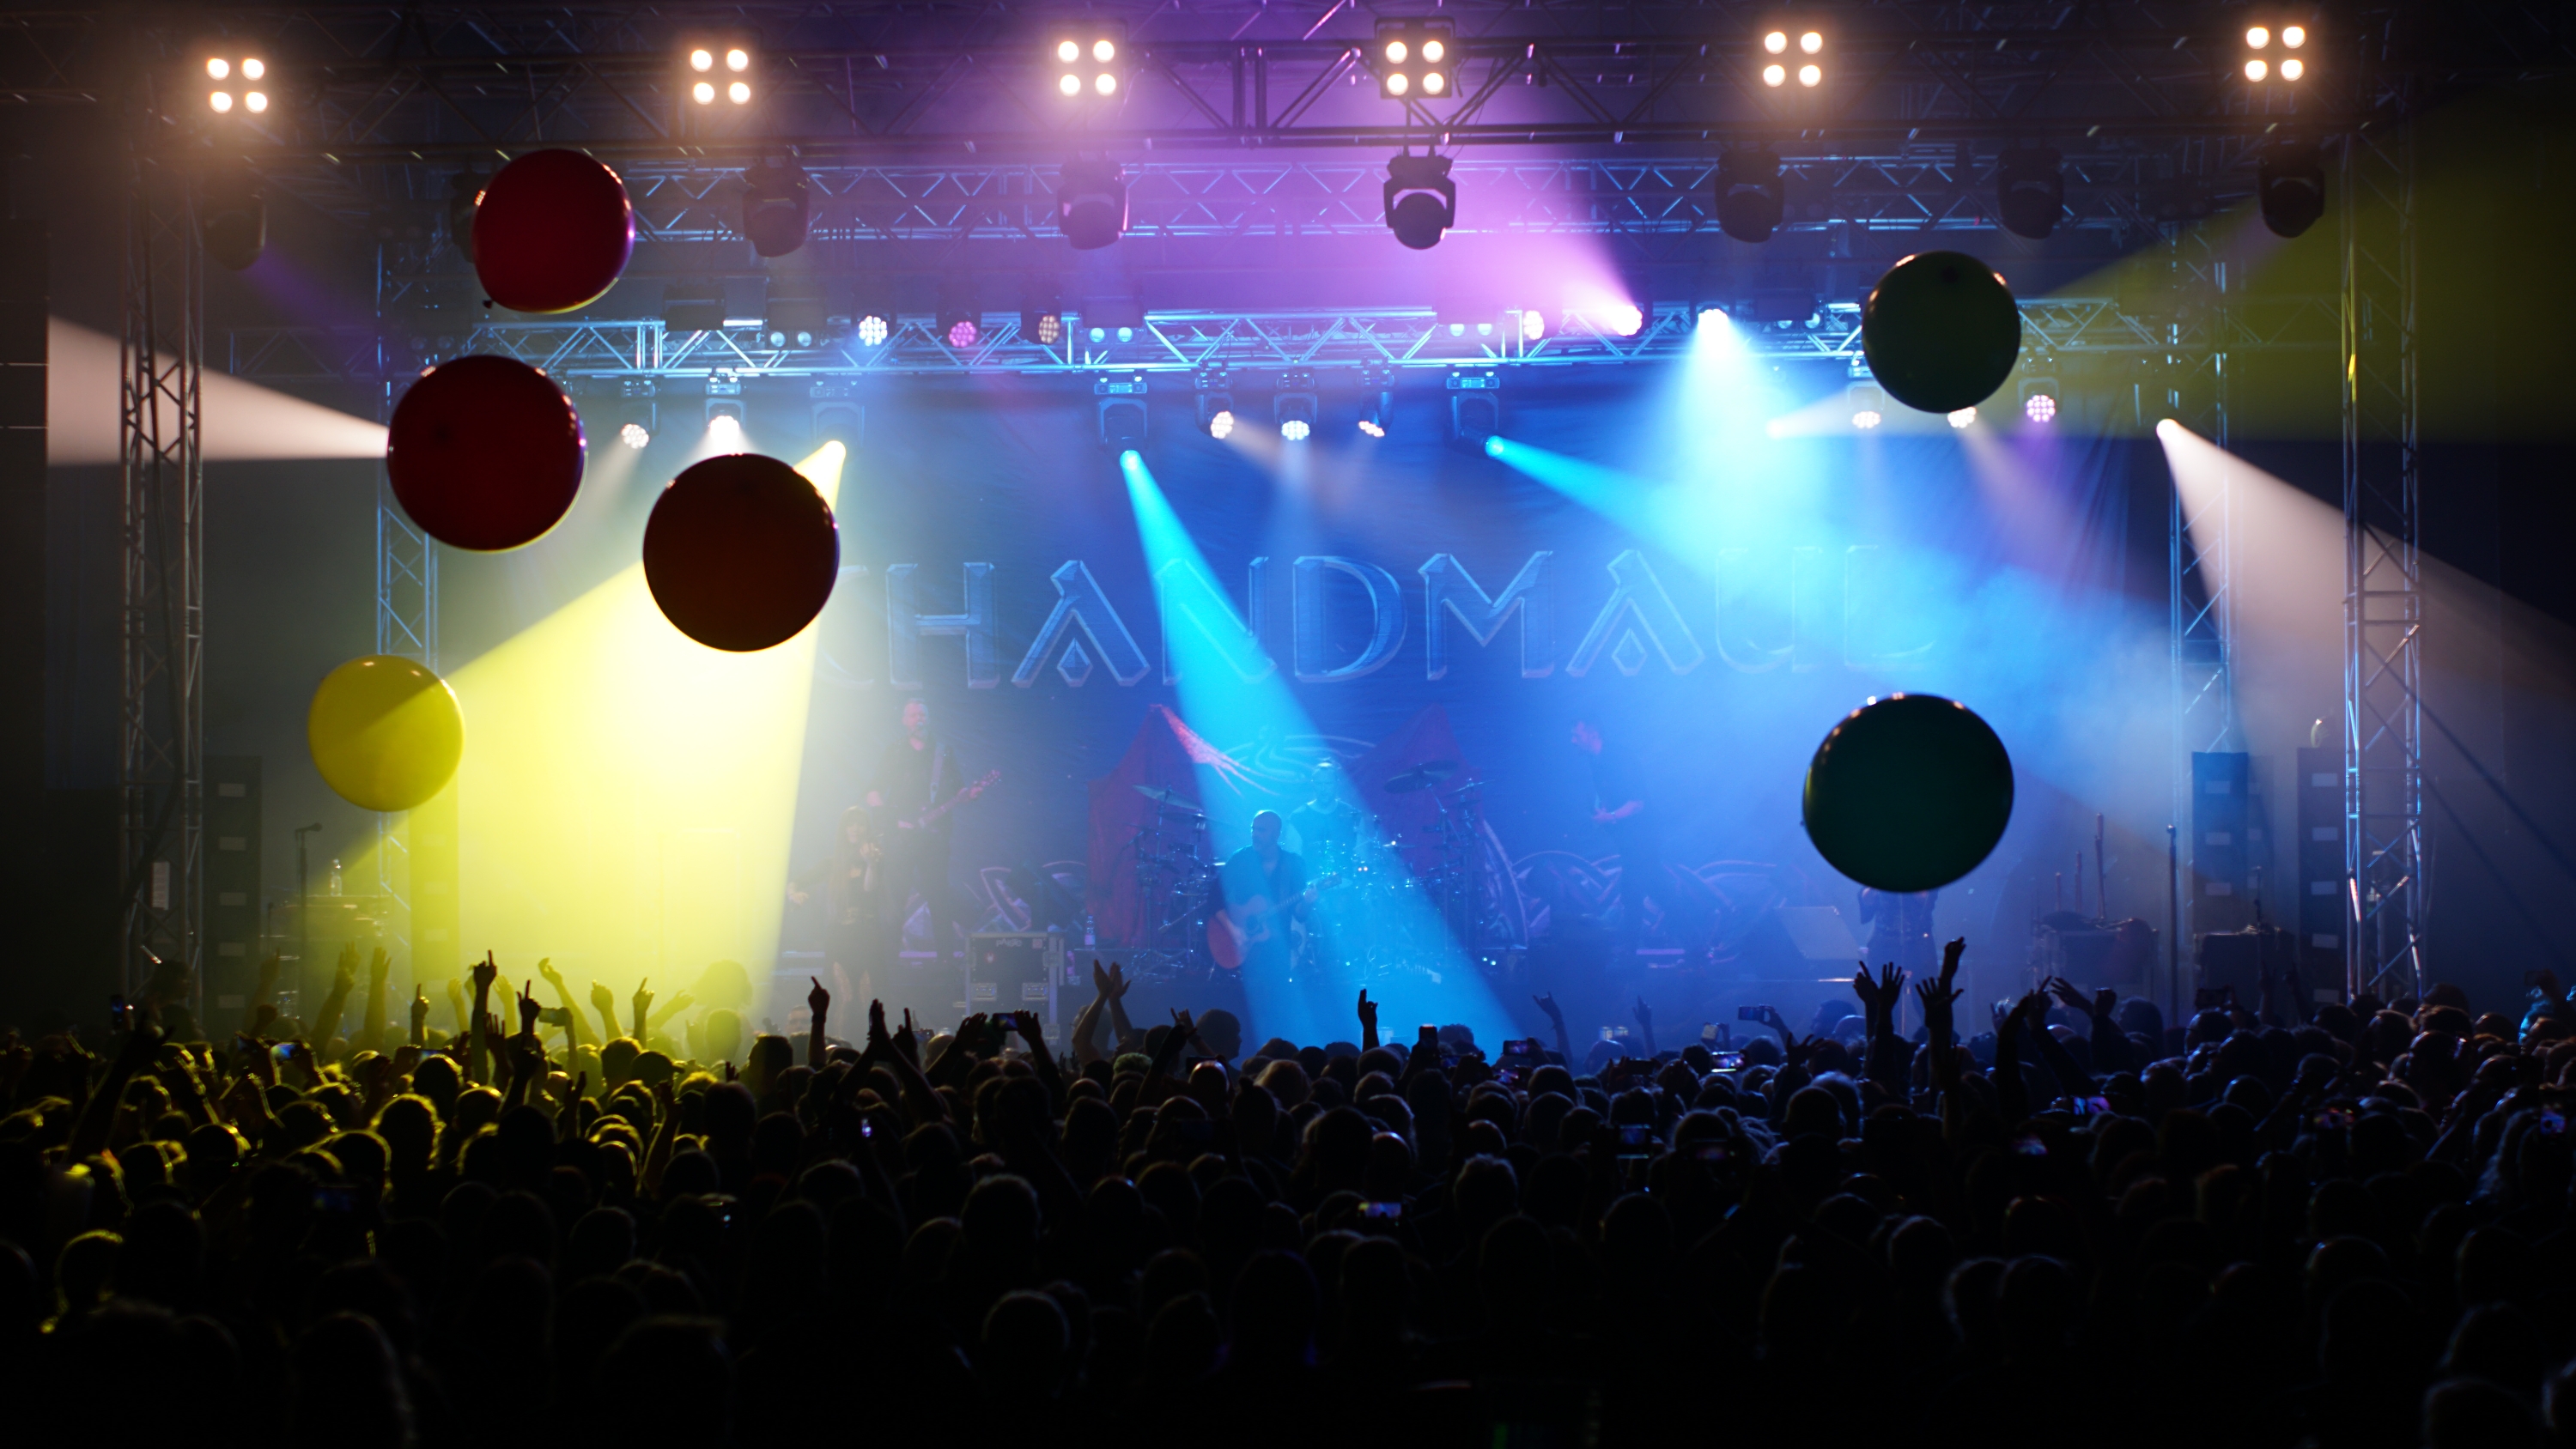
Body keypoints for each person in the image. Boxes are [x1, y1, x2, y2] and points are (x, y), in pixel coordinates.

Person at [1571, 718, 1690, 966]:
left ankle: (1628, 952)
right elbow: (1611, 795)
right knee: (1662, 892)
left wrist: (1610, 817)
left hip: (1643, 836)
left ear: (1593, 734)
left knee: (1632, 894)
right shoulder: (1596, 761)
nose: (1573, 741)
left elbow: (1637, 802)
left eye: (1577, 735)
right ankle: (1698, 947)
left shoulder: (1619, 758)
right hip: (1630, 839)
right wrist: (1603, 809)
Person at [866, 697, 968, 968]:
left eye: (922, 714)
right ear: (904, 721)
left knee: (939, 898)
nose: (918, 719)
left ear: (928, 718)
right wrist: (890, 821)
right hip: (901, 838)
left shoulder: (943, 752)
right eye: (912, 715)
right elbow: (874, 791)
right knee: (896, 899)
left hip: (934, 838)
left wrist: (970, 794)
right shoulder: (894, 752)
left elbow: (959, 788)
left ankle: (946, 962)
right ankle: (889, 962)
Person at [789, 804, 884, 994]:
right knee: (840, 993)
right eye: (851, 824)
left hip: (866, 935)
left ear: (867, 830)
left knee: (867, 992)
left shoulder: (876, 859)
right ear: (844, 829)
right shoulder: (831, 863)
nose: (856, 828)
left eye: (860, 825)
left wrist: (871, 865)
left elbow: (869, 889)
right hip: (839, 935)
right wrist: (793, 895)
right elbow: (796, 882)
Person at [1218, 809, 1313, 979]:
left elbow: (1300, 915)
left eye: (1261, 830)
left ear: (1277, 834)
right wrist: (1234, 930)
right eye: (1253, 829)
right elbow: (1213, 897)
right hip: (1241, 948)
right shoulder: (1241, 859)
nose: (1255, 834)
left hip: (1278, 950)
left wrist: (1308, 902)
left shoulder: (1294, 864)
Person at [1856, 885, 1939, 981]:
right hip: (1884, 942)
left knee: (1924, 985)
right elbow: (1867, 900)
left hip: (1918, 942)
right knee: (1882, 985)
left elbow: (1924, 898)